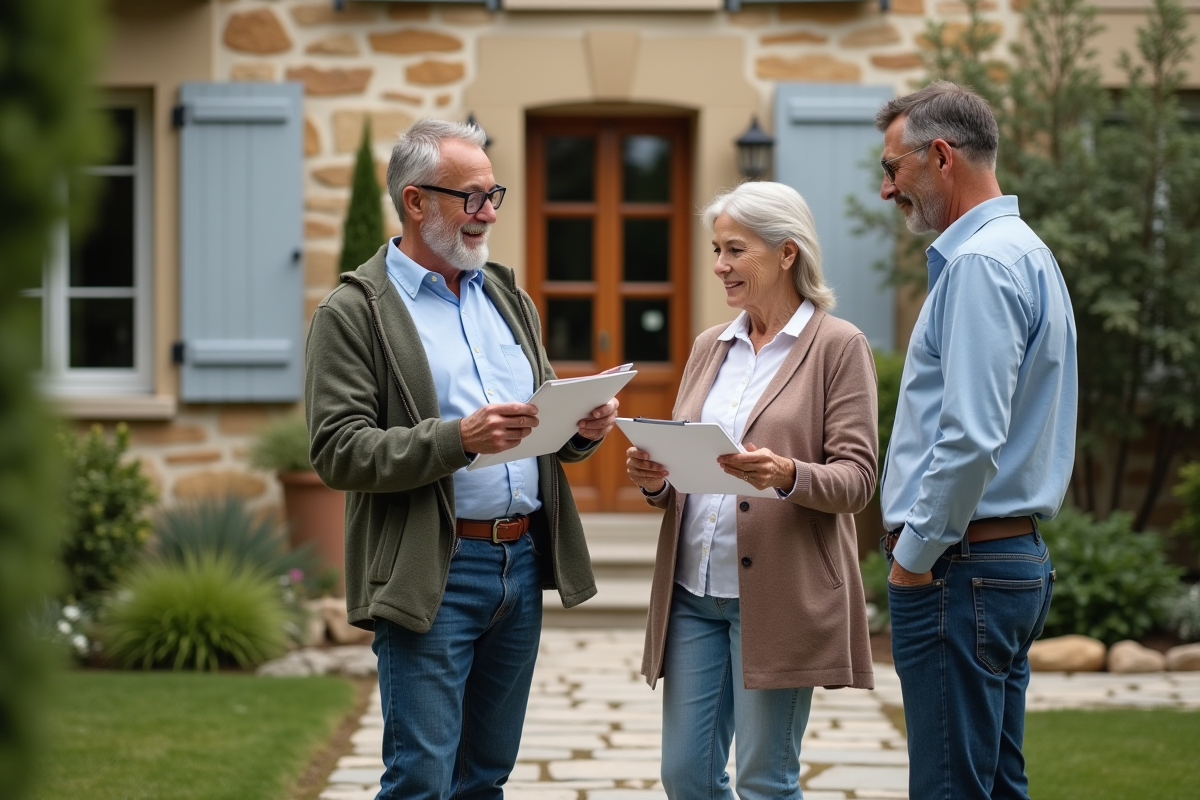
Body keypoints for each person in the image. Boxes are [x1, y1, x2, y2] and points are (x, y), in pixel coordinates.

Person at [305, 118, 618, 800]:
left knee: (485, 778)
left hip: (519, 564)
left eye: (492, 194)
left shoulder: (507, 298)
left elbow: (533, 429)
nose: (490, 212)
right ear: (416, 201)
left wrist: (581, 427)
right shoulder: (354, 312)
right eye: (472, 197)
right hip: (432, 571)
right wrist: (457, 439)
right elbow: (337, 452)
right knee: (420, 778)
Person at [625, 181, 878, 800]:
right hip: (692, 594)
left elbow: (858, 480)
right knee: (685, 777)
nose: (720, 267)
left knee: (765, 781)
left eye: (736, 250)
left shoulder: (838, 346)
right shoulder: (711, 346)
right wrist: (657, 481)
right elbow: (689, 466)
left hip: (778, 598)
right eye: (717, 250)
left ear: (786, 253)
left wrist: (785, 475)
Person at [875, 81, 1077, 800]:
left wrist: (913, 556)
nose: (884, 188)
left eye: (893, 169)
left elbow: (969, 438)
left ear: (939, 156)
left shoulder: (981, 267)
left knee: (949, 789)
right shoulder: (1025, 253)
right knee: (994, 786)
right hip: (999, 562)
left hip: (960, 569)